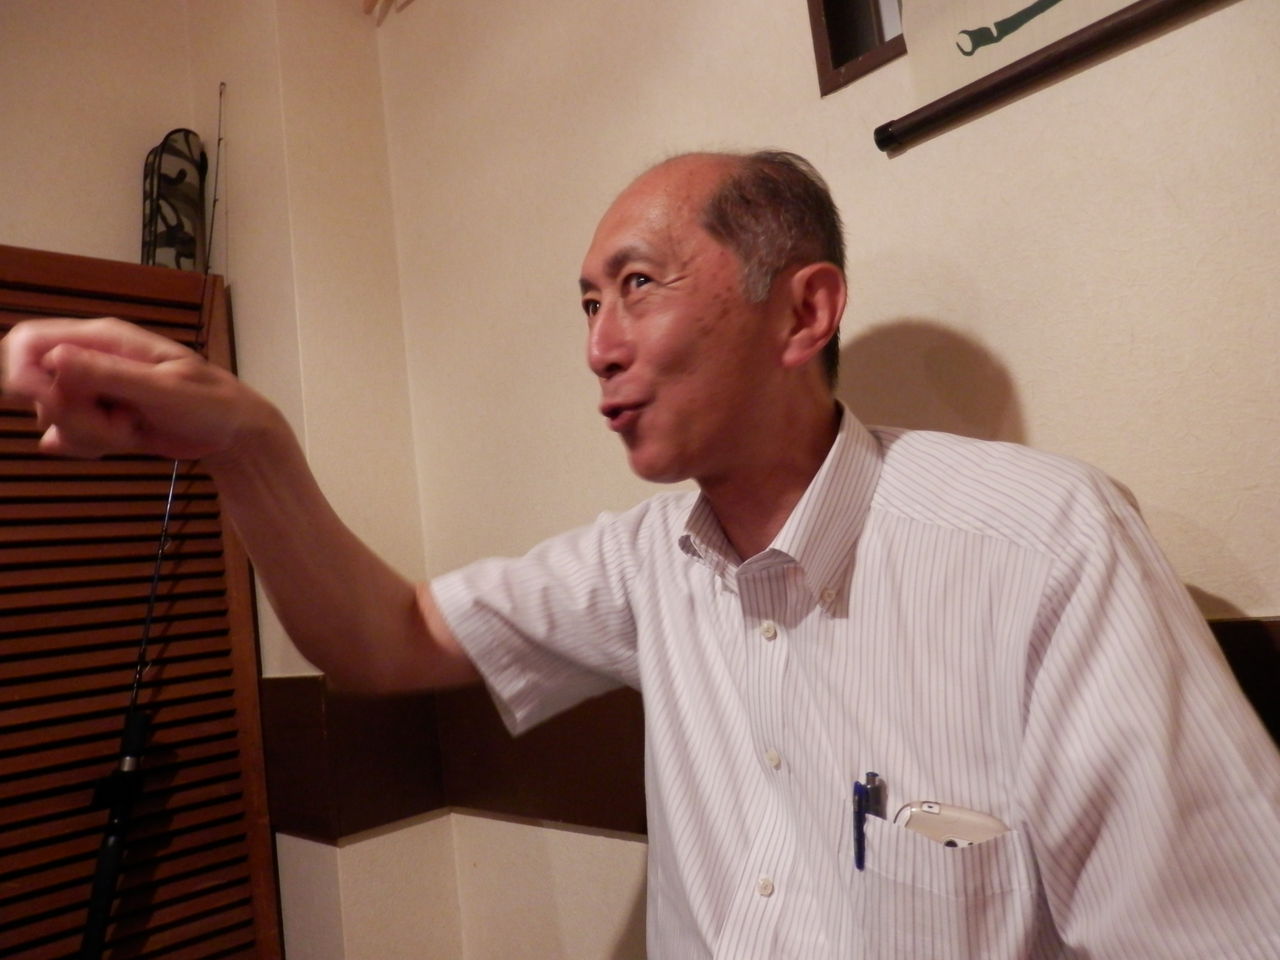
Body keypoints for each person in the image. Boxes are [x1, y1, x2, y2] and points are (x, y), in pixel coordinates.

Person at [3, 151, 1277, 959]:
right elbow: (384, 642)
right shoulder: (640, 564)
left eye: (636, 285)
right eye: (585, 303)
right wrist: (248, 447)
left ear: (803, 310)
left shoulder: (1042, 544)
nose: (596, 346)